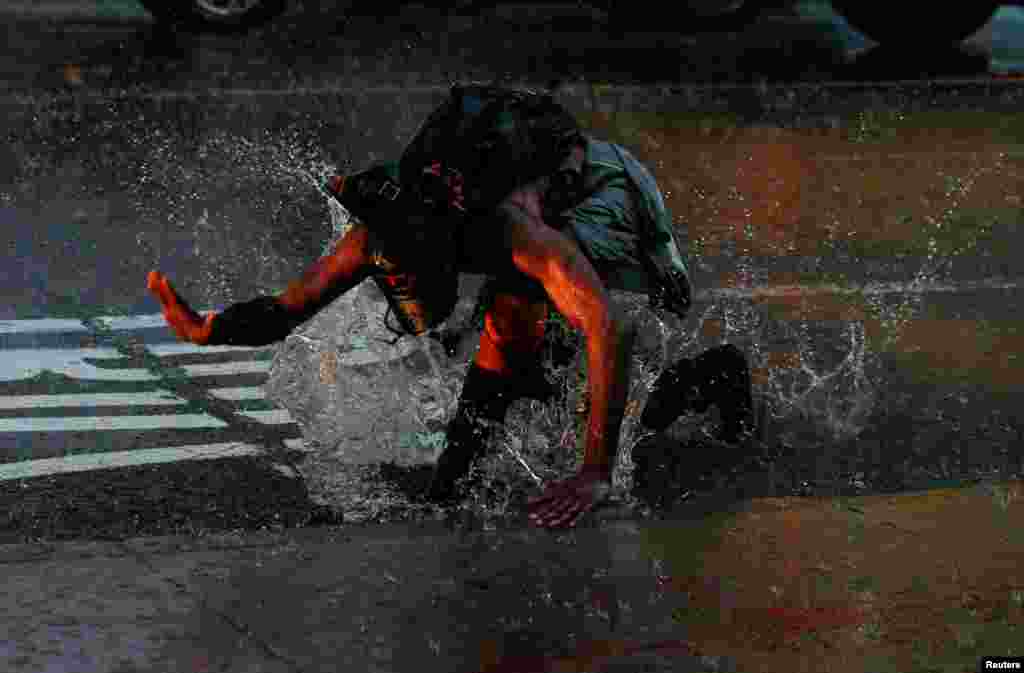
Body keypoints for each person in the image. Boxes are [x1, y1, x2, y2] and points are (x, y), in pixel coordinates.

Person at [146, 84, 755, 529]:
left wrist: (596, 470)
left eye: (419, 285)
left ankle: (710, 376)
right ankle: (461, 471)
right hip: (533, 183)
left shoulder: (509, 230)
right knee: (525, 365)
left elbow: (609, 326)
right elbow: (286, 310)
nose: (408, 305)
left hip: (603, 187)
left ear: (445, 251)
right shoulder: (382, 228)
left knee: (531, 342)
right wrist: (209, 328)